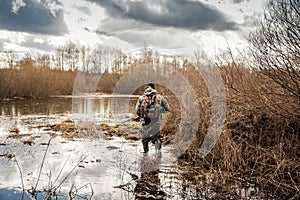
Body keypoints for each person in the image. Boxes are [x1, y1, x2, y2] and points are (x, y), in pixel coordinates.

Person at [135, 83, 169, 153]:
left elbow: (137, 110)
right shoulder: (160, 97)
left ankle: (145, 154)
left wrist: (142, 115)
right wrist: (159, 111)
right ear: (154, 89)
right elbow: (167, 108)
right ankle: (158, 153)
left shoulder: (142, 98)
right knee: (156, 137)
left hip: (145, 121)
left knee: (145, 139)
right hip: (156, 121)